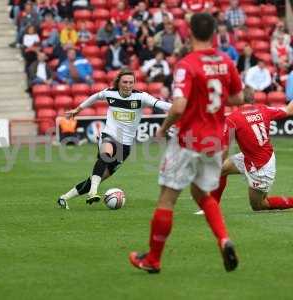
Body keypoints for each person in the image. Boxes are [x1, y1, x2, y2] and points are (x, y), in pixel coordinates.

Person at [129, 13, 244, 274]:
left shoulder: (188, 64)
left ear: (189, 33)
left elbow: (179, 106)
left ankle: (153, 259)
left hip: (189, 140)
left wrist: (164, 126)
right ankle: (224, 239)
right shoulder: (226, 61)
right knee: (201, 193)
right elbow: (237, 98)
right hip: (215, 142)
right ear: (214, 33)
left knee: (167, 199)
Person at [57, 68, 172, 209]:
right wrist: (78, 109)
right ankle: (93, 192)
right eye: (125, 82)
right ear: (119, 83)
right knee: (106, 155)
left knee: (97, 178)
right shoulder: (110, 93)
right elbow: (95, 97)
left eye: (131, 82)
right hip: (109, 135)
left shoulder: (141, 97)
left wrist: (182, 107)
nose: (128, 85)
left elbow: (161, 104)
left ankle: (64, 198)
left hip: (125, 146)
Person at [210, 90, 293, 211]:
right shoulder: (263, 109)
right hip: (257, 157)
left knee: (259, 205)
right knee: (222, 169)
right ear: (253, 99)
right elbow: (289, 110)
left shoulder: (233, 118)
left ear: (239, 99)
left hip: (261, 167)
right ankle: (212, 206)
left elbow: (225, 147)